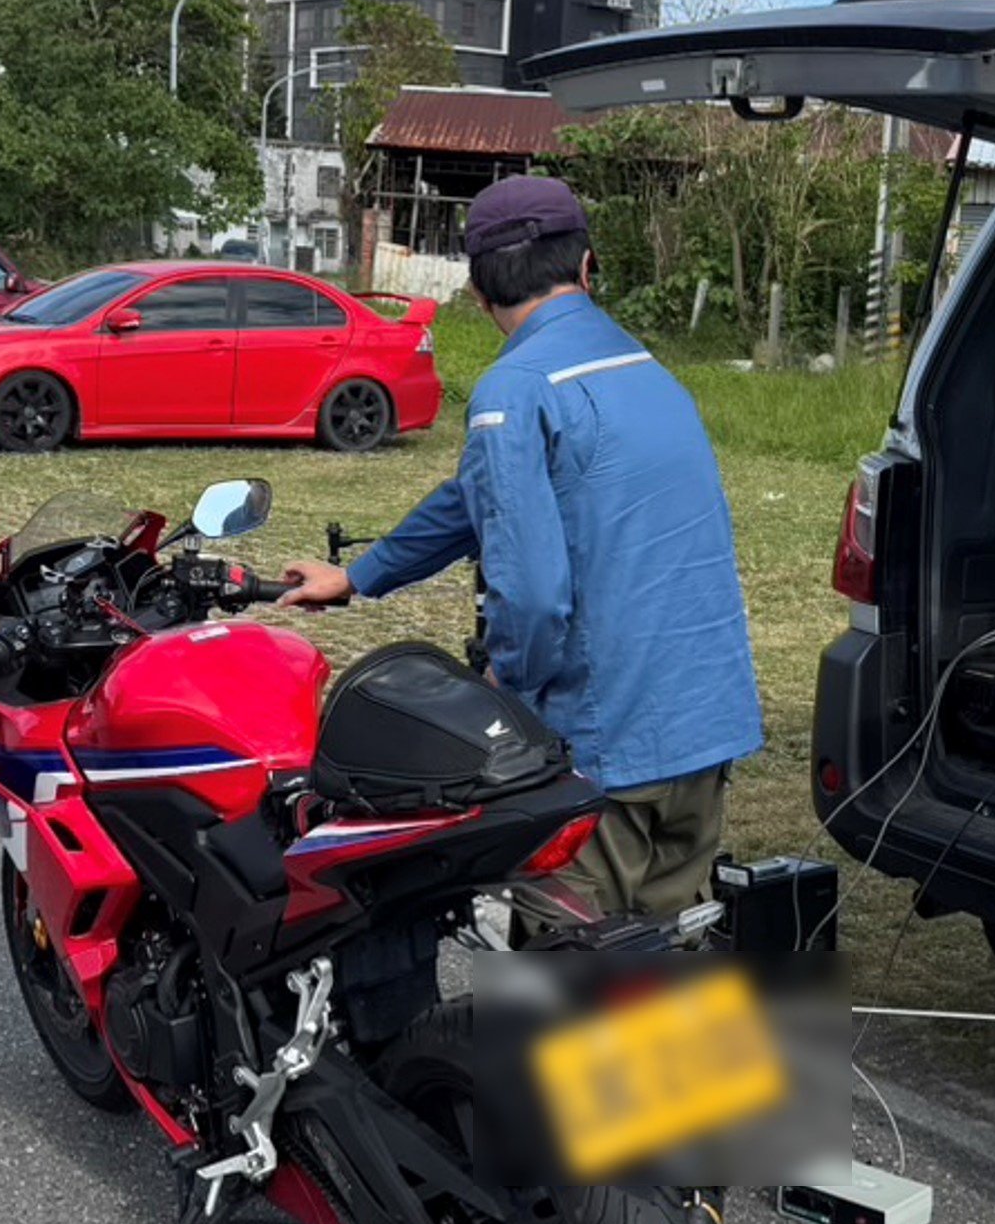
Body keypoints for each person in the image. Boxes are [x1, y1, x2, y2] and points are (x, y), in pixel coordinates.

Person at [278, 175, 761, 920]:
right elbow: (478, 493)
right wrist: (359, 574)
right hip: (703, 721)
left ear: (476, 291)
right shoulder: (647, 369)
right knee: (671, 962)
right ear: (588, 266)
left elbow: (531, 597)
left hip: (607, 738)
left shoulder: (517, 387)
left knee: (565, 983)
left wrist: (512, 693)